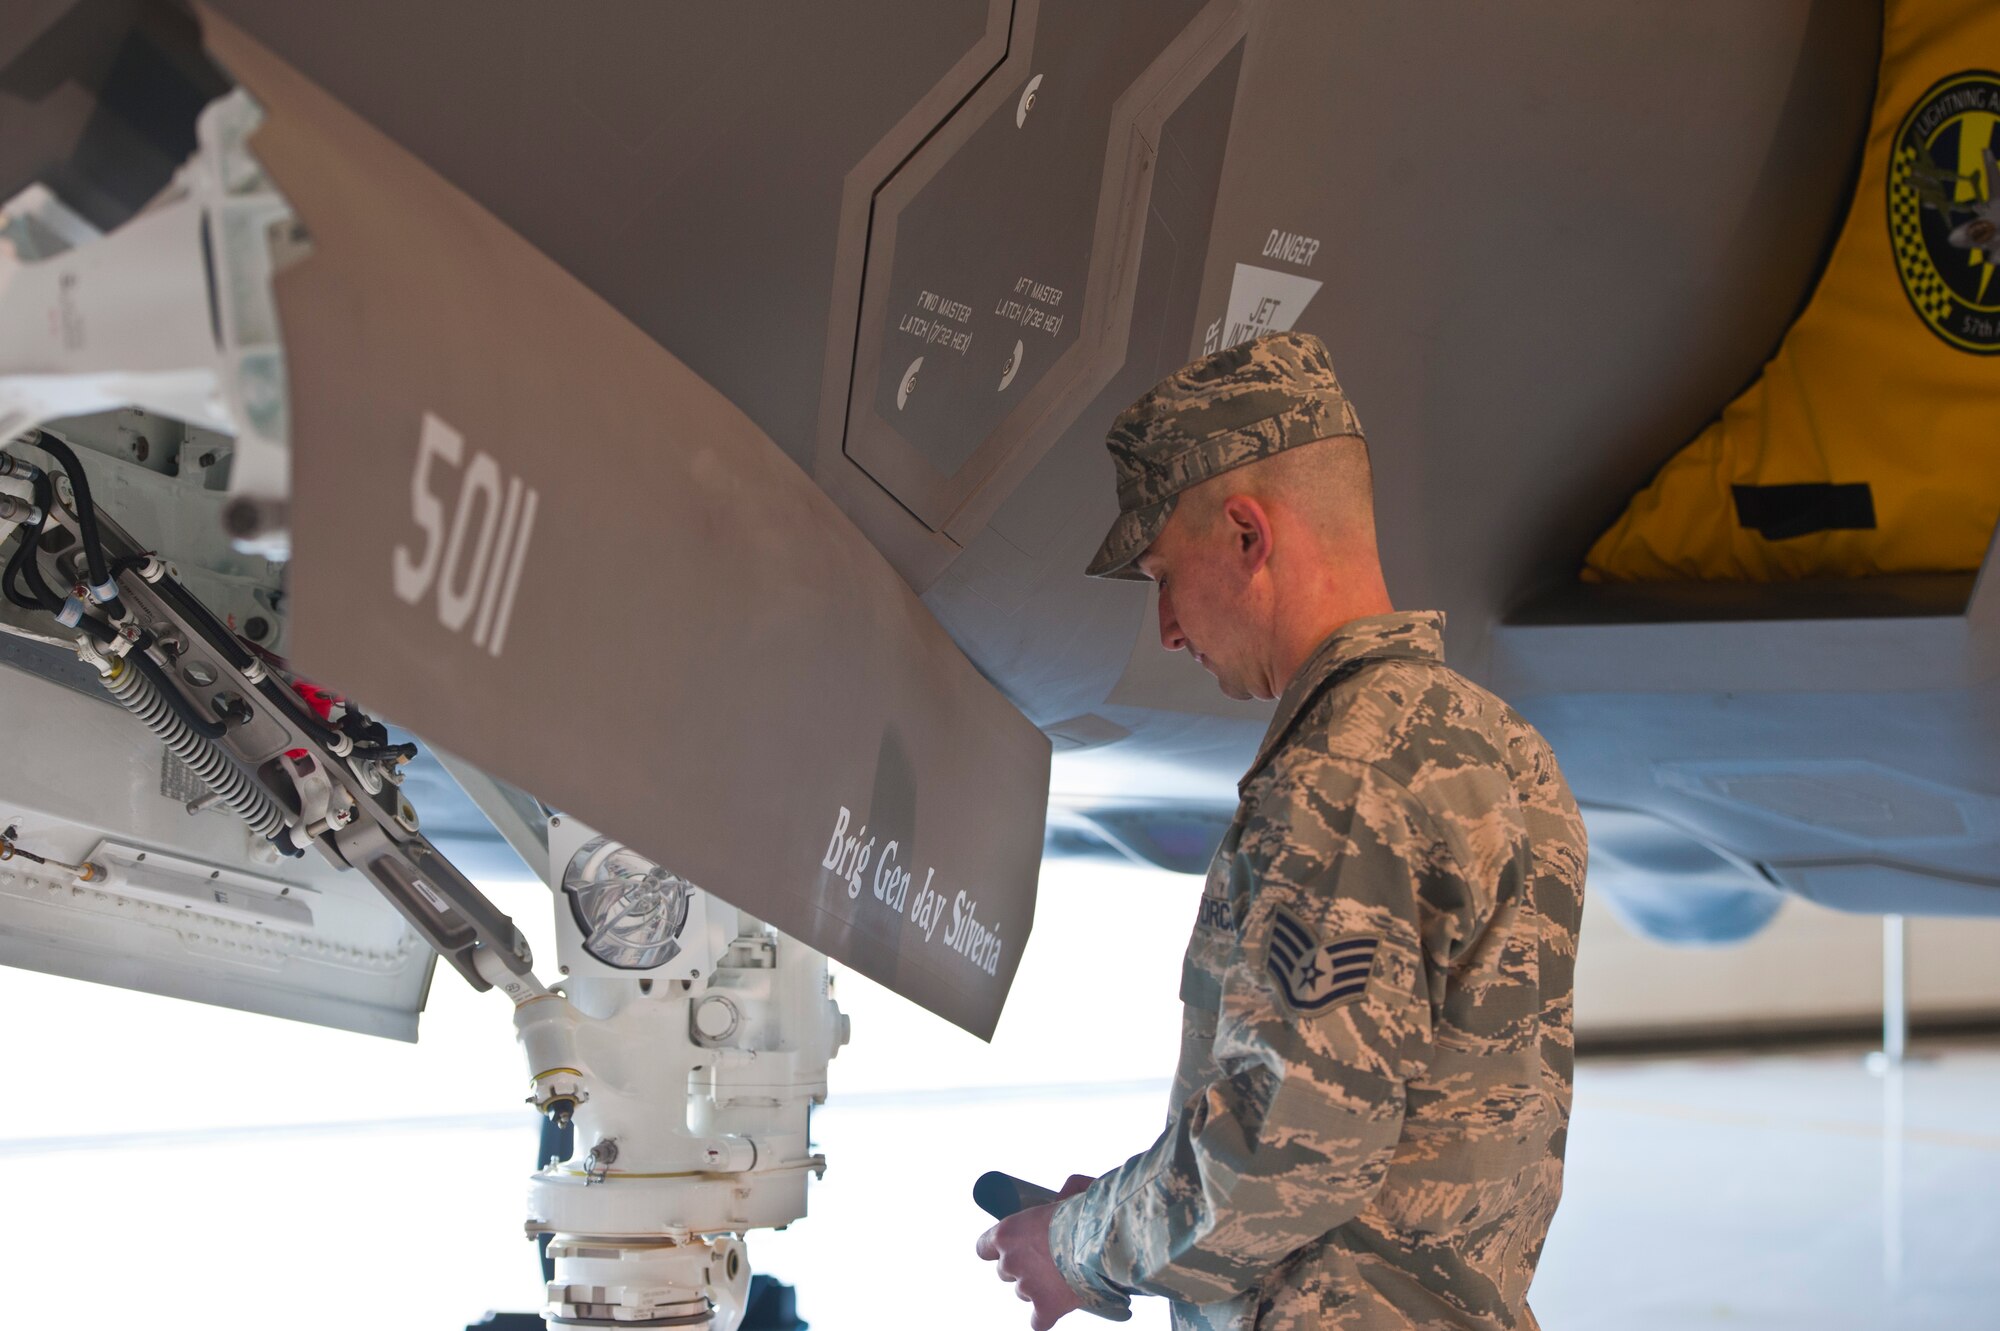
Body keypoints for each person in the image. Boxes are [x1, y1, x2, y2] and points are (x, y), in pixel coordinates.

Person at [975, 331, 1587, 1330]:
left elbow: (1286, 1151)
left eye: (1163, 574)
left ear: (1247, 536)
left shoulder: (1342, 775)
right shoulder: (1500, 747)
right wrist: (1134, 1200)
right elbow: (1403, 1130)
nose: (1166, 627)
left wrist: (1079, 1245)